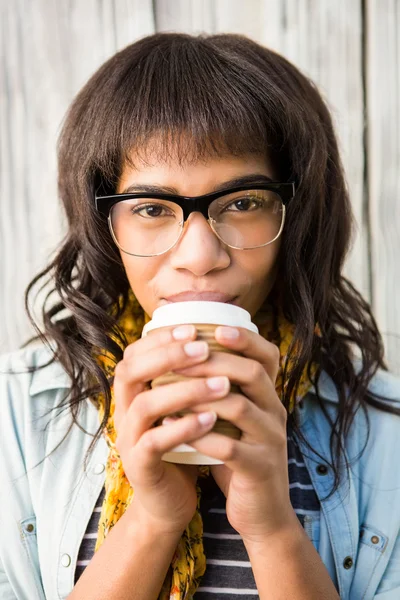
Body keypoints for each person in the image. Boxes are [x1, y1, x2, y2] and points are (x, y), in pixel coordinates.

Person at [1, 31, 399, 600]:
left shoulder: (385, 437)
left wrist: (272, 528)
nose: (199, 258)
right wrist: (153, 518)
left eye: (242, 203)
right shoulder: (15, 415)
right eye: (151, 208)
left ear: (298, 214)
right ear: (104, 228)